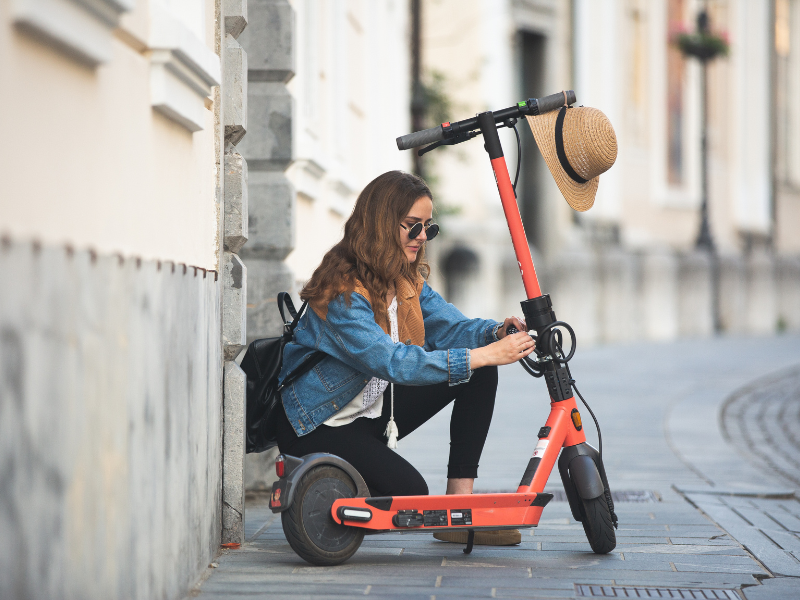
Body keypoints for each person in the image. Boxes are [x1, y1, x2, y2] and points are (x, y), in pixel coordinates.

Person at [276, 170, 536, 545]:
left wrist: (495, 333)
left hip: (367, 411)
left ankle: (458, 510)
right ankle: (329, 485)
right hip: (318, 423)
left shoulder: (403, 279)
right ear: (382, 225)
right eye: (411, 226)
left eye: (428, 228)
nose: (421, 238)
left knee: (479, 372)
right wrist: (483, 354)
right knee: (411, 492)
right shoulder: (342, 293)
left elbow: (448, 326)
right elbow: (393, 362)